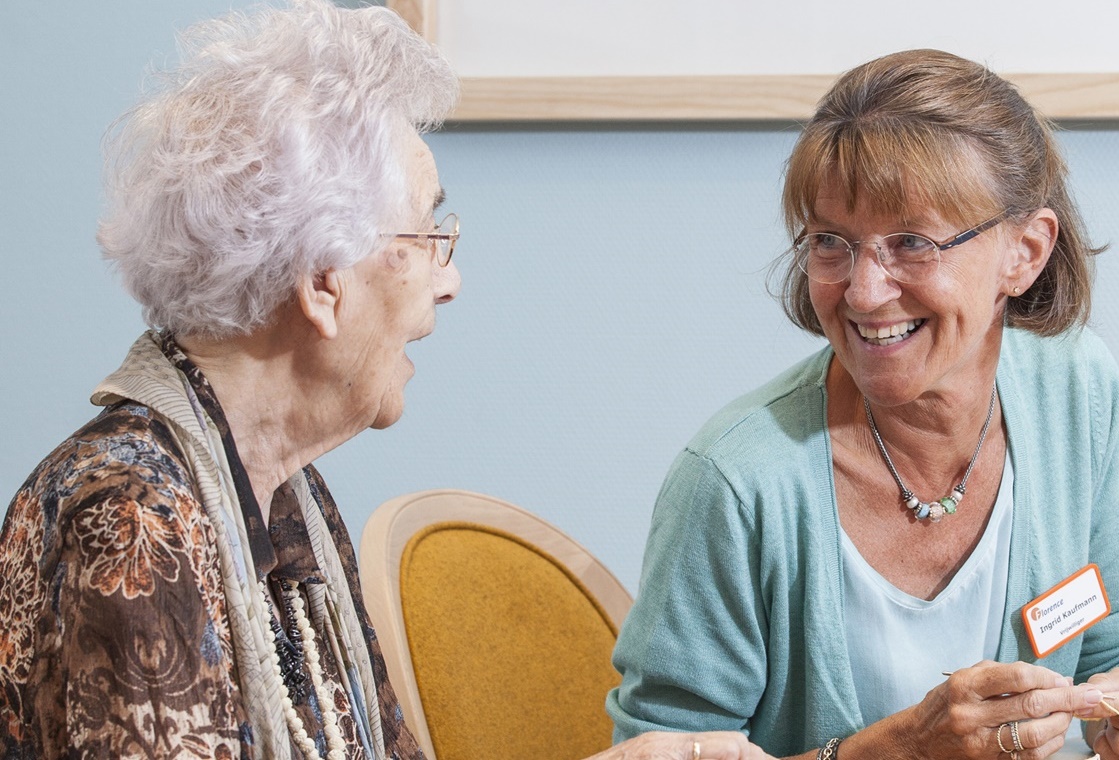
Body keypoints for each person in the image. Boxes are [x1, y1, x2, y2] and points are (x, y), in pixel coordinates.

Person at [0, 3, 769, 759]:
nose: (451, 279)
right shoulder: (132, 520)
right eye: (430, 234)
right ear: (325, 284)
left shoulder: (283, 495)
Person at [608, 49, 1119, 760]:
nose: (862, 291)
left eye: (913, 243)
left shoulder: (1075, 392)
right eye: (832, 242)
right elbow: (656, 751)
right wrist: (894, 751)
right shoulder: (736, 481)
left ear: (1026, 250)